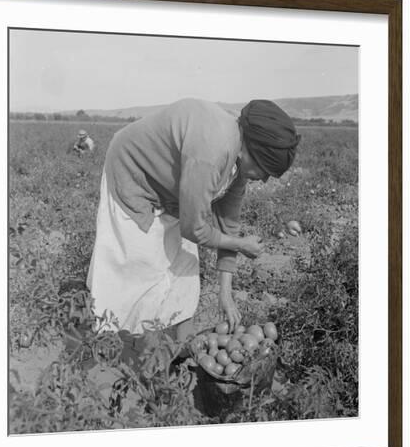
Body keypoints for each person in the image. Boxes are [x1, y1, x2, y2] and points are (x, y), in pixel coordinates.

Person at [87, 98, 299, 351]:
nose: (263, 180)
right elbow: (194, 229)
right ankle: (116, 350)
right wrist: (241, 245)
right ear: (250, 149)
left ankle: (176, 350)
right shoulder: (212, 151)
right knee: (139, 270)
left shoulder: (238, 161)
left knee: (184, 270)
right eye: (264, 170)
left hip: (172, 192)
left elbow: (227, 225)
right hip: (133, 175)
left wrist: (226, 294)